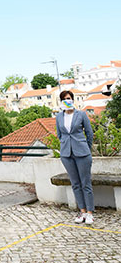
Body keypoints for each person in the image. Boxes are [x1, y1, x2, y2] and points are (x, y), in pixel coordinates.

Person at [56, 90, 94, 225]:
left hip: (82, 153)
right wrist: (66, 147)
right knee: (75, 184)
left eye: (69, 98)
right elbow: (60, 135)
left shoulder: (81, 114)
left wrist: (86, 149)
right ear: (61, 102)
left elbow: (89, 134)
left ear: (73, 99)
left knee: (86, 183)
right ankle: (82, 211)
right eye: (64, 99)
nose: (67, 101)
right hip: (67, 154)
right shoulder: (59, 117)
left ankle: (90, 213)